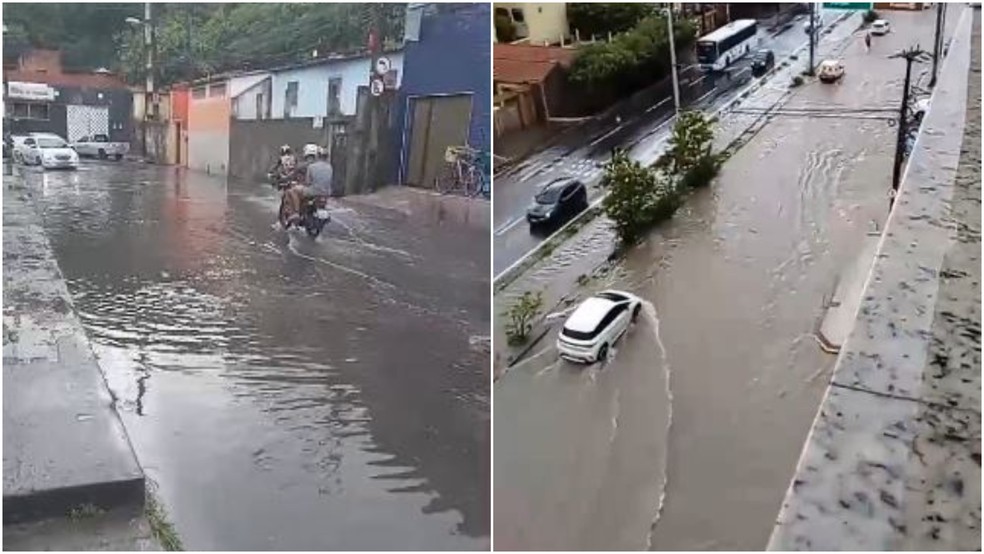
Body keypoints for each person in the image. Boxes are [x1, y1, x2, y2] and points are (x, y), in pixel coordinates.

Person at [284, 146, 333, 226]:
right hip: (327, 192)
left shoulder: (311, 166)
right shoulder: (329, 167)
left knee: (292, 191)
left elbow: (308, 182)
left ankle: (296, 212)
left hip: (313, 191)